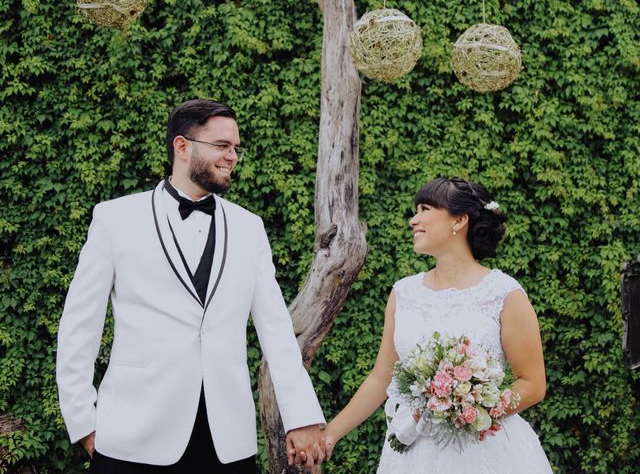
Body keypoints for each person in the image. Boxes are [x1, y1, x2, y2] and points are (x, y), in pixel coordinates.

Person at [56, 99, 326, 473]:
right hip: (133, 437)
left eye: (236, 148)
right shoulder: (115, 219)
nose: (233, 156)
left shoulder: (250, 228)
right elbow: (78, 327)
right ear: (182, 147)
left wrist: (301, 416)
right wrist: (83, 421)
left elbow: (277, 331)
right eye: (222, 145)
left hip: (226, 442)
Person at [322, 177, 552, 473]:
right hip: (413, 453)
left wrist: (470, 410)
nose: (413, 220)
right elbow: (381, 378)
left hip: (484, 453)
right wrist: (330, 435)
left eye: (425, 209)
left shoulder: (504, 293)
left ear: (459, 220)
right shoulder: (403, 293)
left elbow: (533, 384)